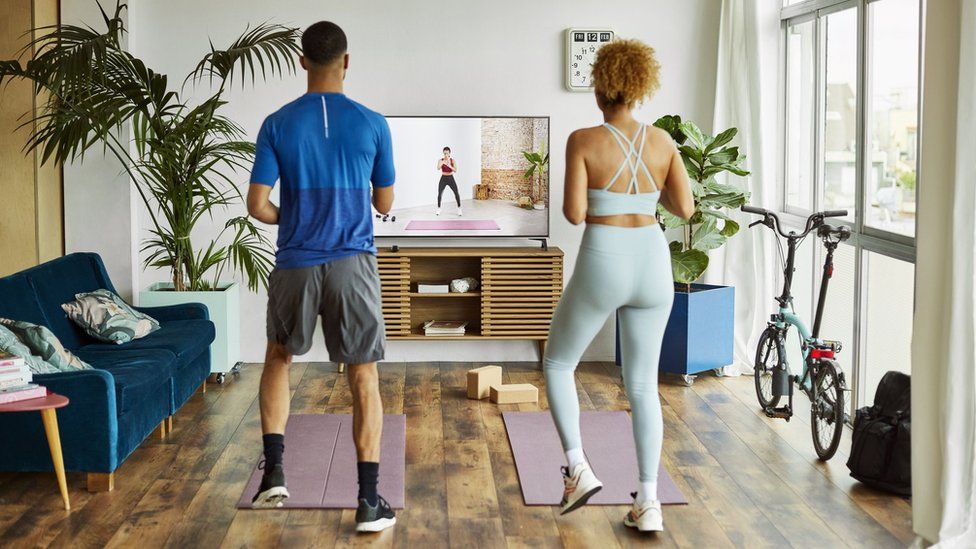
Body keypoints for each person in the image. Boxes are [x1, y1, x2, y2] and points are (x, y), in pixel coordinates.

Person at [246, 21, 397, 533]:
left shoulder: (277, 123)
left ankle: (274, 476)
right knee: (363, 376)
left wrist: (292, 218)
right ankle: (369, 502)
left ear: (302, 60)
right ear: (347, 61)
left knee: (279, 358)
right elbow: (384, 202)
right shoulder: (374, 123)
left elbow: (257, 205)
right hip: (353, 263)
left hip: (295, 262)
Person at [542, 38, 694, 533]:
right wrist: (645, 196)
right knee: (643, 385)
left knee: (560, 361)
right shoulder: (664, 142)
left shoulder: (584, 140)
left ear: (600, 86)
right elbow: (686, 209)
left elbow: (574, 213)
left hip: (604, 257)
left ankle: (577, 468)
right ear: (641, 85)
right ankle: (648, 501)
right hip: (652, 259)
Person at [435, 146, 462, 216]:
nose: (445, 155)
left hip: (450, 178)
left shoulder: (453, 160)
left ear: (449, 153)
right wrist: (443, 162)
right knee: (440, 193)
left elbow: (455, 170)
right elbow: (438, 168)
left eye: (447, 153)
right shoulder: (441, 160)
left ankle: (459, 209)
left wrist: (449, 165)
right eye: (444, 153)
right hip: (443, 178)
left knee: (456, 192)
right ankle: (439, 208)